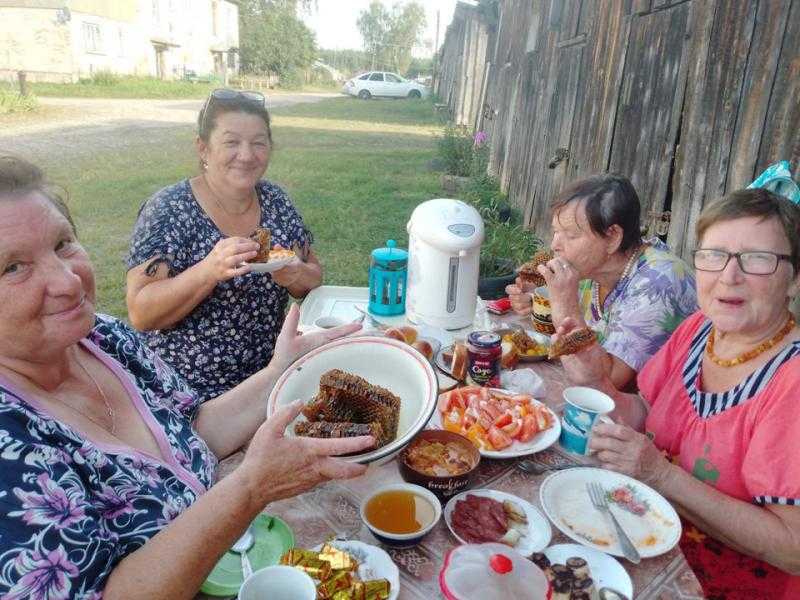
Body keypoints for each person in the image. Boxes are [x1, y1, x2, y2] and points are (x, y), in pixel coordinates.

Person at [0, 155, 371, 598]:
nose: (69, 281)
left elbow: (190, 434)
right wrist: (250, 488)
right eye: (13, 267)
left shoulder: (104, 338)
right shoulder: (9, 443)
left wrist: (282, 369)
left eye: (63, 243)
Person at [557, 188, 800, 599]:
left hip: (714, 586)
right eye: (714, 255)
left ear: (794, 279)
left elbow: (793, 548)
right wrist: (597, 382)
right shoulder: (699, 330)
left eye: (758, 259)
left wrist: (661, 475)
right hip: (641, 540)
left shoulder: (790, 382)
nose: (729, 276)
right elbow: (646, 410)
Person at [126, 89, 322, 402]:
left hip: (270, 377)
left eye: (258, 143)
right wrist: (208, 271)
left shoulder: (276, 201)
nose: (247, 155)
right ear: (203, 148)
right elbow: (141, 312)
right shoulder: (168, 209)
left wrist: (295, 274)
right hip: (187, 391)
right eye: (232, 142)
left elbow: (314, 277)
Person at [507, 174, 697, 389]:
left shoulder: (658, 283)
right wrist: (535, 299)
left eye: (571, 235)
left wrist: (563, 304)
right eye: (556, 232)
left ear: (613, 237)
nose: (554, 245)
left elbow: (606, 383)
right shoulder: (594, 269)